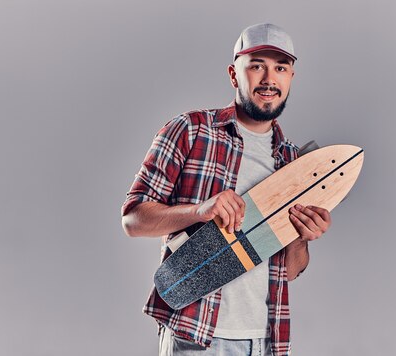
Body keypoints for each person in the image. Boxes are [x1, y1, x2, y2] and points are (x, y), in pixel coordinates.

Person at [121, 23, 331, 356]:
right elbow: (133, 220)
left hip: (266, 340)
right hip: (195, 337)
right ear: (234, 74)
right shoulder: (190, 131)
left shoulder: (293, 163)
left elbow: (287, 271)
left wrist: (302, 237)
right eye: (257, 65)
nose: (269, 78)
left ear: (291, 78)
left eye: (280, 68)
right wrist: (199, 211)